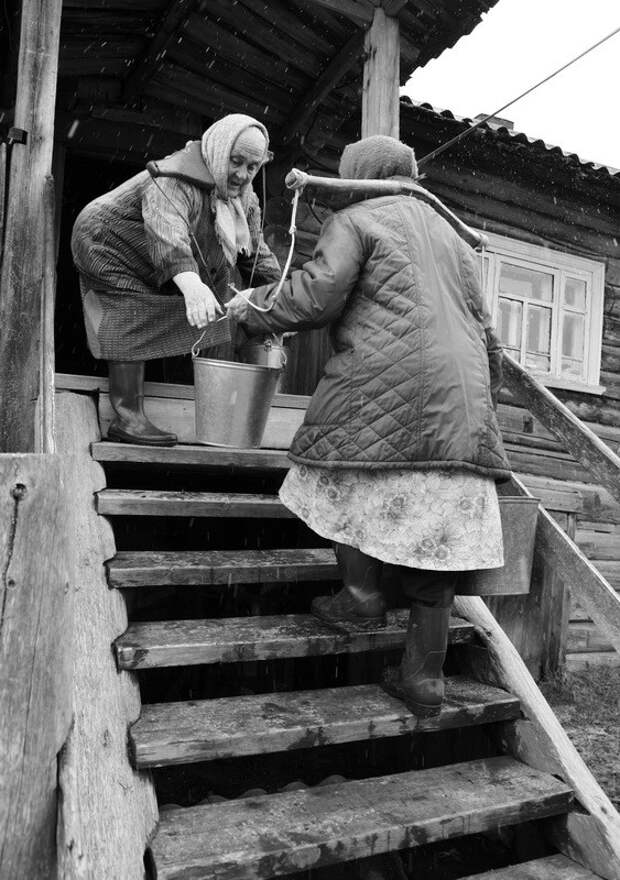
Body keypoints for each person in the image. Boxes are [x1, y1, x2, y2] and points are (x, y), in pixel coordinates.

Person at [226, 135, 511, 718]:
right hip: (463, 404)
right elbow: (487, 334)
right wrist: (481, 399)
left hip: (387, 381)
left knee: (333, 473)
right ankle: (423, 680)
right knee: (436, 549)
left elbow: (314, 298)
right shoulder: (454, 239)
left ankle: (360, 596)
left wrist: (252, 312)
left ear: (357, 177)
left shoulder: (357, 219)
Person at [71, 113, 281, 446]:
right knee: (132, 312)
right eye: (236, 161)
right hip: (106, 240)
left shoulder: (244, 199)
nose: (242, 174)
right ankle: (128, 418)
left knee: (216, 304)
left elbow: (253, 251)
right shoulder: (174, 177)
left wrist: (286, 290)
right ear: (218, 149)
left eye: (252, 166)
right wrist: (191, 284)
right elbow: (166, 231)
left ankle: (204, 401)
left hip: (162, 253)